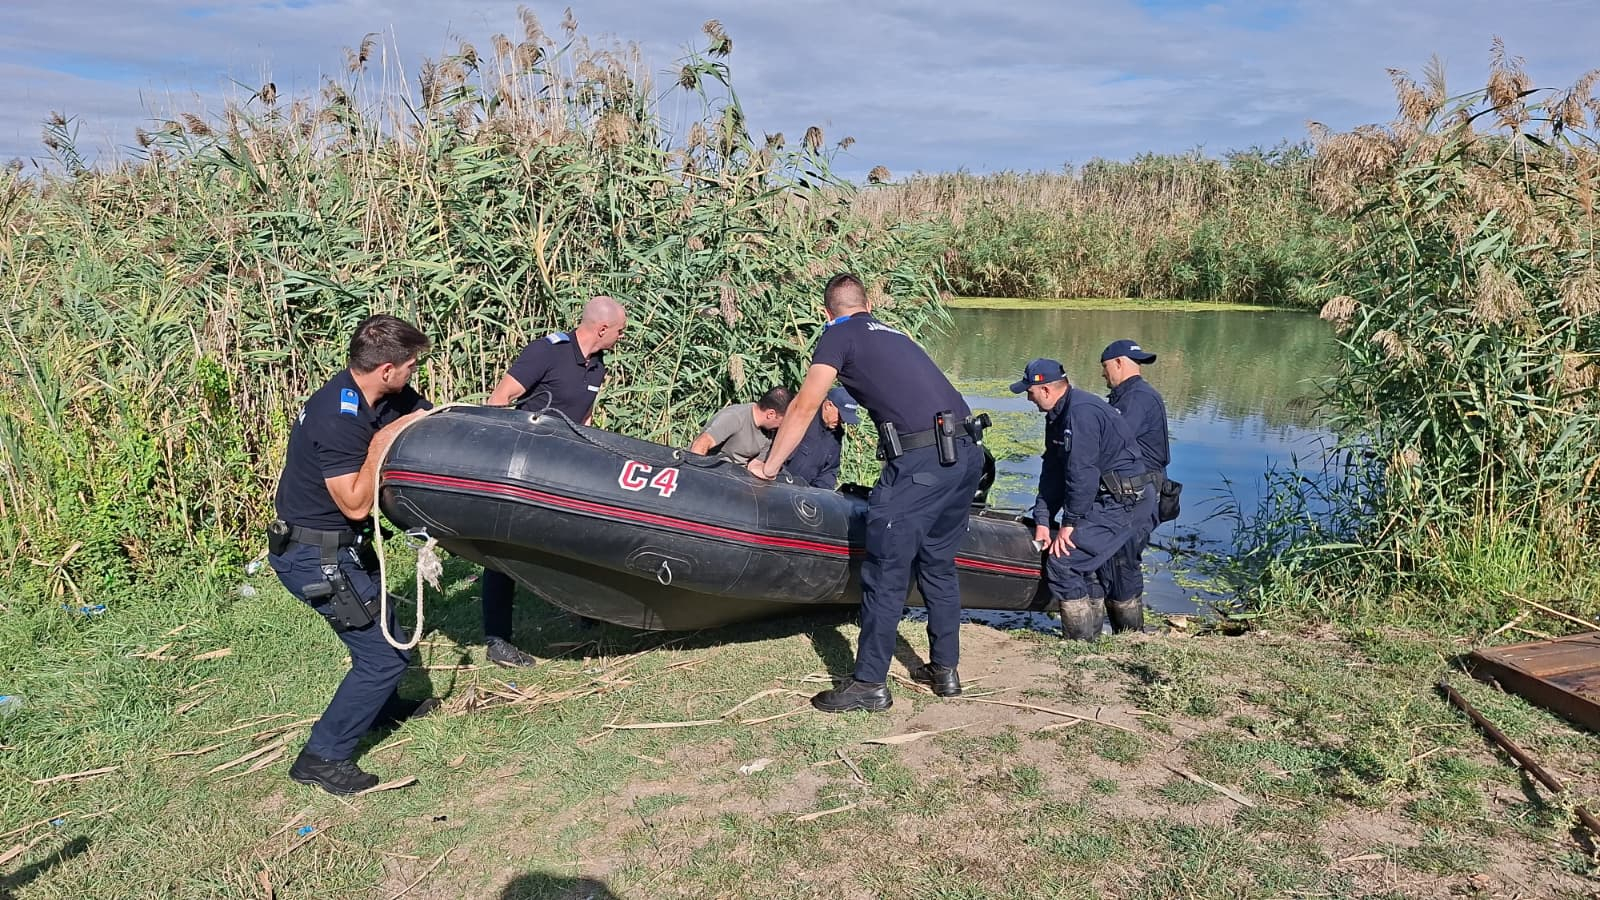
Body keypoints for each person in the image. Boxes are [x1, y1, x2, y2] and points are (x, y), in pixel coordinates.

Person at [750, 273, 983, 711]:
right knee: (938, 563)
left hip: (921, 463)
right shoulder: (896, 334)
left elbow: (805, 404)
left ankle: (869, 684)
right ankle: (945, 670)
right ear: (868, 303)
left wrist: (769, 465)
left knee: (885, 571)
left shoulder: (839, 335)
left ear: (827, 312)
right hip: (965, 453)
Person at [267, 314, 439, 796]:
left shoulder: (380, 393)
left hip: (348, 548)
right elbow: (357, 503)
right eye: (409, 366)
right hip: (314, 558)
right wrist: (383, 441)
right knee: (383, 658)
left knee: (387, 635)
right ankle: (323, 757)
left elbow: (422, 418)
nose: (413, 374)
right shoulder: (337, 417)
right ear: (385, 369)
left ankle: (379, 707)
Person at [478, 296, 628, 667]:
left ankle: (580, 606)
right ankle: (497, 640)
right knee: (506, 548)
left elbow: (584, 417)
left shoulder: (598, 366)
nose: (622, 338)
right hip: (525, 462)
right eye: (621, 331)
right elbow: (500, 398)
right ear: (602, 328)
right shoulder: (548, 351)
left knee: (573, 538)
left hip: (565, 467)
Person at [1013, 358, 1156, 641]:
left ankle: (1081, 643)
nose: (1028, 398)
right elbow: (1053, 472)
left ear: (1045, 389)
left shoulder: (1082, 414)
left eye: (1029, 391)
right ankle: (1097, 639)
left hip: (1125, 499)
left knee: (1064, 562)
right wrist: (1043, 519)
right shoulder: (1058, 415)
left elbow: (1082, 474)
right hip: (1106, 498)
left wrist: (1069, 524)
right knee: (1089, 566)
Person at [1100, 339, 1170, 633]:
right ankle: (1121, 631)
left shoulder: (1136, 398)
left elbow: (1113, 441)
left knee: (1123, 559)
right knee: (1114, 558)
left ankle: (1130, 636)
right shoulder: (1127, 395)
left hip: (1140, 493)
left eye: (1105, 368)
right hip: (1136, 490)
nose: (1103, 375)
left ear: (1117, 363)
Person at [688, 386, 793, 465]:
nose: (781, 426)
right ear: (771, 414)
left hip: (737, 478)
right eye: (782, 422)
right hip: (712, 469)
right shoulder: (735, 417)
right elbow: (701, 444)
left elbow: (755, 465)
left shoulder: (770, 432)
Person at [783, 386, 860, 490]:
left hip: (805, 495)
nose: (842, 421)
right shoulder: (804, 419)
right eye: (840, 416)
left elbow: (830, 471)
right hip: (781, 486)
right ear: (828, 405)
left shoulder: (836, 436)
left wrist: (821, 495)